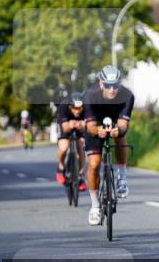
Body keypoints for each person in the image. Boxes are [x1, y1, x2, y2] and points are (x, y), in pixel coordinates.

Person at [83, 65, 135, 226]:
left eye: (115, 86)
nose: (112, 89)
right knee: (94, 164)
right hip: (95, 125)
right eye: (108, 85)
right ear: (101, 84)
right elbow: (90, 127)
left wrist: (117, 130)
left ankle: (122, 178)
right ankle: (95, 206)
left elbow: (123, 125)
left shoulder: (127, 96)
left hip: (114, 122)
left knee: (120, 136)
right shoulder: (90, 96)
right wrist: (98, 130)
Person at [55, 92, 88, 190]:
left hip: (80, 128)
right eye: (74, 108)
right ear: (70, 106)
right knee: (64, 147)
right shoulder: (63, 106)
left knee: (81, 148)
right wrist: (69, 125)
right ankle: (61, 166)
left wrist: (82, 124)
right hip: (66, 124)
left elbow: (90, 122)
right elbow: (64, 128)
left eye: (79, 108)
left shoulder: (87, 107)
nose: (77, 111)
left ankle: (80, 174)